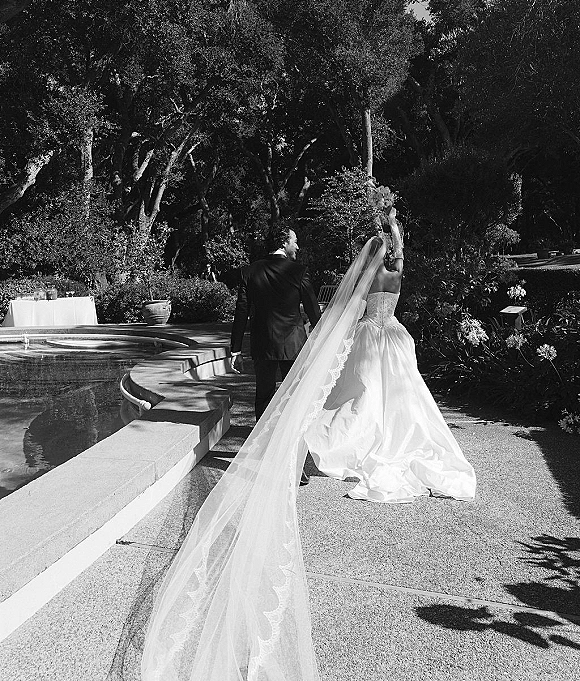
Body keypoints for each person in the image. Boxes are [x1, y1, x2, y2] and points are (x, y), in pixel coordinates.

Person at [140, 199, 473, 681]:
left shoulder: (252, 271)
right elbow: (318, 310)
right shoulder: (329, 273)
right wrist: (318, 332)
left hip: (272, 343)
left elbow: (258, 312)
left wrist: (237, 347)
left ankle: (271, 446)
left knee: (270, 402)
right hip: (326, 341)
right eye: (295, 238)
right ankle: (296, 458)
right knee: (352, 403)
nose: (298, 243)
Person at [305, 206, 477, 503]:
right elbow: (400, 250)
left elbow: (352, 307)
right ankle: (398, 434)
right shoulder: (396, 273)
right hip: (395, 334)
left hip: (368, 333)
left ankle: (357, 437)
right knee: (403, 390)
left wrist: (377, 221)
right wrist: (392, 223)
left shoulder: (366, 278)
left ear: (368, 257)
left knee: (363, 389)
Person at [230, 222, 321, 422]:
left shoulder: (249, 271)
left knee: (263, 395)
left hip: (263, 343)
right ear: (284, 242)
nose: (297, 247)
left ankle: (261, 445)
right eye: (294, 242)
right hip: (293, 343)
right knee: (294, 394)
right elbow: (312, 310)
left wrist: (235, 350)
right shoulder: (298, 271)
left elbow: (241, 312)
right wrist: (324, 334)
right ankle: (288, 441)